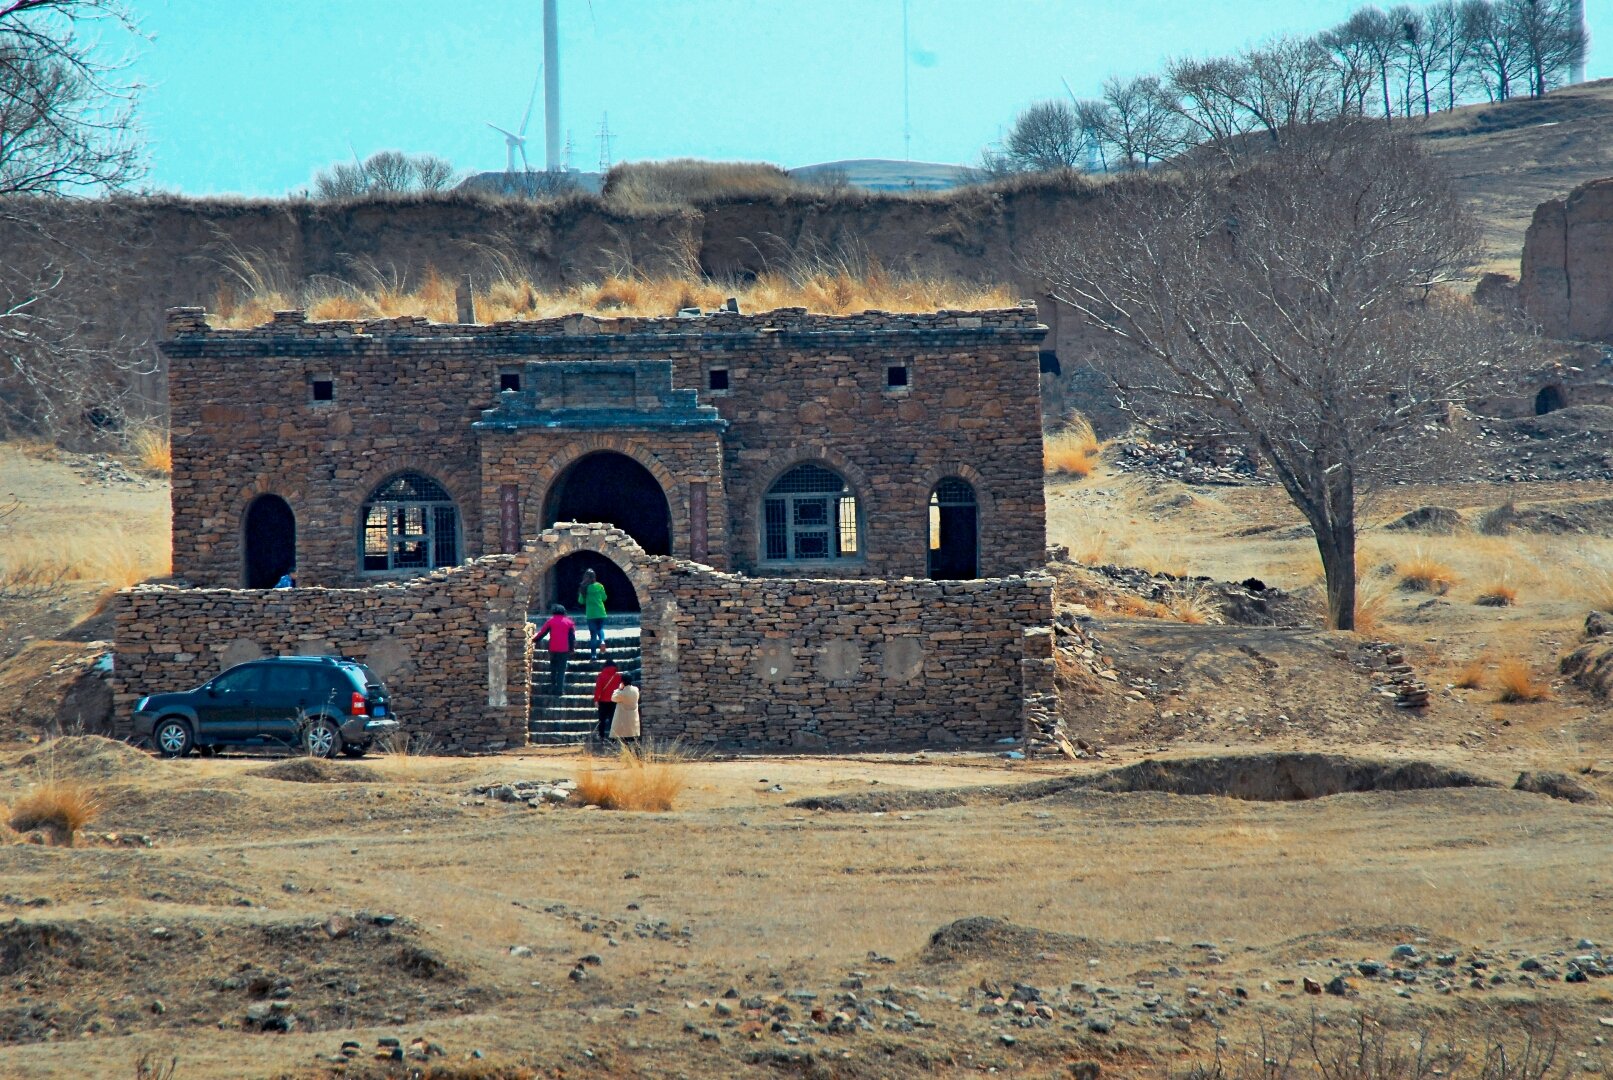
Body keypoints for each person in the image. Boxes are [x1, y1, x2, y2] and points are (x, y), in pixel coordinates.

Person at [532, 603, 576, 699]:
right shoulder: (569, 623)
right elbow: (572, 637)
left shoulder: (550, 621)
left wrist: (533, 640)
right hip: (564, 649)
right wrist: (572, 648)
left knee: (553, 669)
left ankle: (553, 687)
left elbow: (542, 633)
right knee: (561, 670)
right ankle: (560, 690)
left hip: (553, 649)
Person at [578, 568, 608, 660]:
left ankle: (593, 655)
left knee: (593, 635)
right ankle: (602, 641)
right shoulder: (599, 586)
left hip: (591, 614)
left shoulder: (584, 587)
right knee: (600, 629)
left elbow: (581, 601)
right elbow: (604, 598)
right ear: (594, 576)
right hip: (601, 611)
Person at [592, 659, 622, 742]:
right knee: (613, 719)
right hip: (614, 701)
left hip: (603, 701)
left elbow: (598, 689)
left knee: (602, 720)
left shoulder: (601, 676)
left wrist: (596, 700)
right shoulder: (618, 676)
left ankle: (601, 736)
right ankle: (614, 738)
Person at [609, 672, 640, 746]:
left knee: (624, 740)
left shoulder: (622, 693)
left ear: (622, 681)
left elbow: (613, 698)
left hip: (624, 720)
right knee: (634, 740)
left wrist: (619, 689)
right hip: (633, 719)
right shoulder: (636, 690)